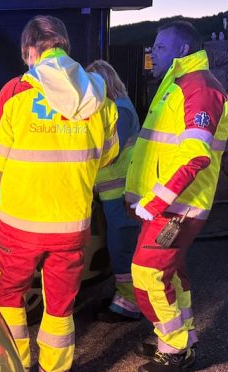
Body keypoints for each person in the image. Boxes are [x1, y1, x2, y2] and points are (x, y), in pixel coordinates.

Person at [0, 15, 118, 372]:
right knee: (59, 305)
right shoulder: (101, 98)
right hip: (71, 223)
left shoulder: (15, 92)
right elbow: (107, 157)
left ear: (30, 50)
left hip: (21, 223)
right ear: (65, 48)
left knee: (9, 296)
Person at [125, 20, 228, 372]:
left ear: (182, 50)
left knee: (148, 275)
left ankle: (174, 350)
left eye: (159, 47)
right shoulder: (180, 84)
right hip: (170, 205)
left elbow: (194, 156)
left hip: (176, 208)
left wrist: (155, 202)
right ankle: (178, 337)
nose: (152, 53)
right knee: (171, 274)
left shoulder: (198, 88)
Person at [85, 60, 142, 324]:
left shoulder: (120, 111)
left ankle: (128, 305)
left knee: (122, 249)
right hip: (115, 193)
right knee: (119, 247)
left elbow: (108, 152)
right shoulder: (119, 108)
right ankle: (125, 298)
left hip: (122, 193)